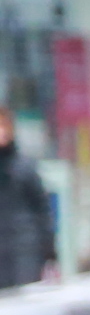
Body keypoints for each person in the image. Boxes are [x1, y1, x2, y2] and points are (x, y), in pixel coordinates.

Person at [0, 107, 56, 287]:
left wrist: (49, 252)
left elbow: (42, 210)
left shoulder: (24, 167)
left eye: (3, 125)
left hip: (25, 253)